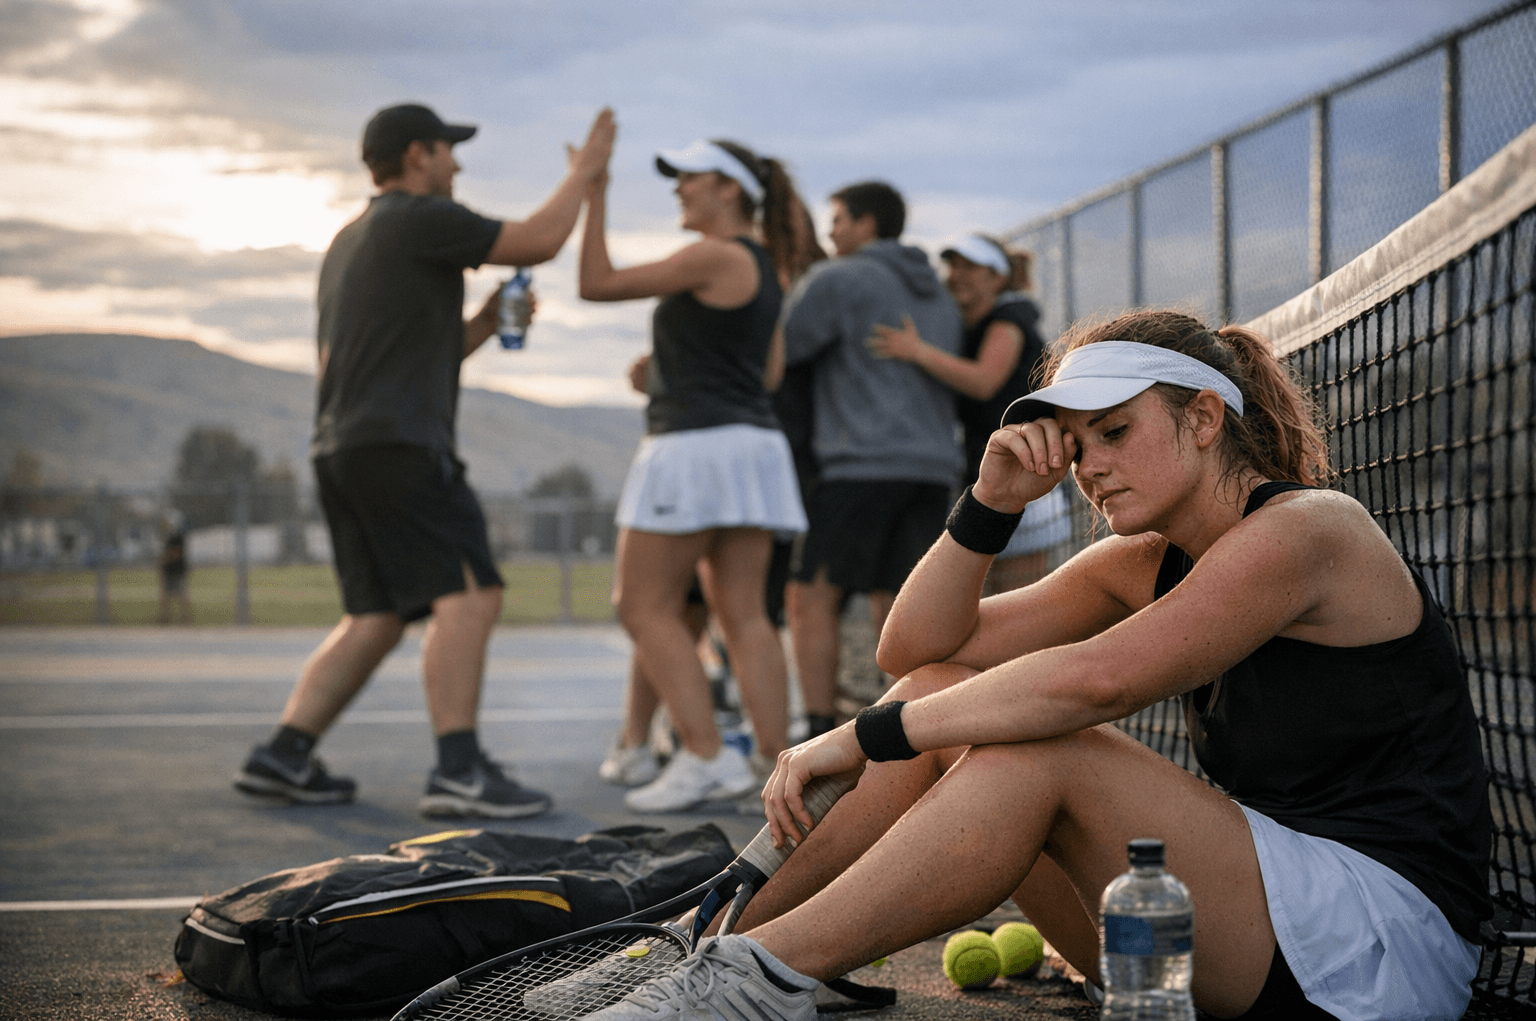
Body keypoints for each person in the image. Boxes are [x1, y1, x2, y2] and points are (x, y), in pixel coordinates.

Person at [582, 310, 1492, 1021]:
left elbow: (1092, 683)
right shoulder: (1142, 558)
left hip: (1376, 952)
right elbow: (916, 652)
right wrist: (990, 503)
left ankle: (760, 974)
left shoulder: (1311, 530)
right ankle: (696, 955)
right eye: (1075, 443)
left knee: (1041, 745)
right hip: (1221, 931)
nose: (1089, 466)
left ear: (1205, 417)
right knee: (947, 696)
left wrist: (860, 736)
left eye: (1113, 432)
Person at [234, 102, 616, 818]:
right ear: (417, 155)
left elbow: (406, 359)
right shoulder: (419, 218)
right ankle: (459, 771)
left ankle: (283, 752)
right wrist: (586, 174)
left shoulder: (351, 239)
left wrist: (479, 325)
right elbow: (537, 240)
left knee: (377, 614)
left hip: (343, 446)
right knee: (471, 594)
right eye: (448, 150)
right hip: (400, 445)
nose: (457, 164)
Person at [580, 138, 810, 813]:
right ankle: (774, 766)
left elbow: (594, 283)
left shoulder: (712, 254)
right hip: (750, 447)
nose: (679, 188)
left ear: (729, 189)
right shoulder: (767, 268)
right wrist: (675, 365)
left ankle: (704, 755)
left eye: (690, 178)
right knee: (743, 616)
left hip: (694, 446)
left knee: (641, 607)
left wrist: (592, 189)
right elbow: (765, 373)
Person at [779, 181, 964, 740]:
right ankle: (903, 734)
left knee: (810, 597)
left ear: (866, 224)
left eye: (837, 219)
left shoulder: (841, 277)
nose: (831, 231)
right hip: (932, 470)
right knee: (900, 604)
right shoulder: (938, 292)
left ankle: (813, 730)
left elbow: (780, 349)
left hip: (859, 467)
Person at [867, 233, 1070, 593]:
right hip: (997, 474)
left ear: (997, 276)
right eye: (953, 265)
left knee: (1017, 598)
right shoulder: (972, 326)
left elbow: (984, 382)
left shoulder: (1008, 321)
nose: (956, 275)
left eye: (970, 266)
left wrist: (917, 351)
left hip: (1025, 473)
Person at [157, 528, 192, 624]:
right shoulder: (166, 539)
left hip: (178, 571)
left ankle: (186, 619)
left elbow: (177, 553)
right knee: (166, 597)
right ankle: (165, 618)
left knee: (182, 596)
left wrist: (169, 556)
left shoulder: (177, 538)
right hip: (169, 571)